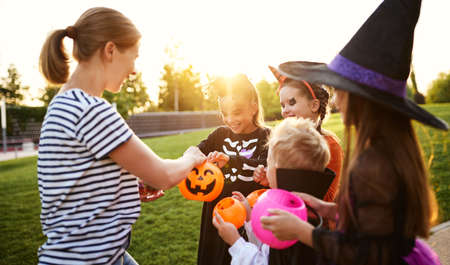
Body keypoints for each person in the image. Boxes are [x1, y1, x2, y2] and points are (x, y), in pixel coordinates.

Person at [259, 0, 447, 264]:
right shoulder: (388, 150)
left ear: (361, 100)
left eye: (340, 91)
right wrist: (332, 210)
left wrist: (304, 232)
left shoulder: (372, 165)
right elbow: (378, 224)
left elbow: (369, 253)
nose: (336, 101)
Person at [37, 7, 205, 265]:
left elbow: (75, 183)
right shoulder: (90, 109)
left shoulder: (63, 103)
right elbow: (163, 175)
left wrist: (126, 187)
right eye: (134, 57)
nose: (135, 70)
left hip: (96, 255)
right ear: (110, 50)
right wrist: (190, 157)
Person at [213, 117, 334, 265]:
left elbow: (266, 262)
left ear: (277, 170)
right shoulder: (302, 208)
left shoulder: (291, 225)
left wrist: (236, 243)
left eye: (268, 162)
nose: (265, 167)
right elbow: (268, 246)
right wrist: (251, 218)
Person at [196, 74, 271, 265]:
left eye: (236, 112)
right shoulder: (219, 135)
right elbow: (194, 152)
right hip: (217, 216)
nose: (230, 119)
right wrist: (193, 158)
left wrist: (230, 160)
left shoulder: (268, 137)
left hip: (249, 222)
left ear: (254, 106)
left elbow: (266, 165)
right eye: (224, 113)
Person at [254, 68, 343, 202]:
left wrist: (285, 184)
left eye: (292, 102)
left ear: (314, 105)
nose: (284, 111)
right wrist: (272, 179)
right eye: (282, 105)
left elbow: (327, 197)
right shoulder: (285, 142)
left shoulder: (330, 145)